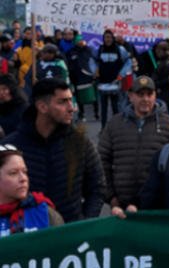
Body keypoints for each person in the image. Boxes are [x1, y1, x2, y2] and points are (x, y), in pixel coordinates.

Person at [9, 78, 104, 222]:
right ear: (42, 107)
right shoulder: (12, 146)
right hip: (27, 236)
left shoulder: (80, 143)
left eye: (70, 100)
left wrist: (83, 223)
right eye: (62, 102)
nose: (71, 108)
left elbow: (97, 188)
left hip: (70, 236)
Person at [98, 76, 169, 215]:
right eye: (140, 95)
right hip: (121, 207)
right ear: (130, 96)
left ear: (155, 96)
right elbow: (102, 160)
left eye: (149, 94)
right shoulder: (114, 124)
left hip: (158, 207)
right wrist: (111, 197)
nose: (145, 99)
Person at [0, 145, 64, 236]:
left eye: (24, 172)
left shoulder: (45, 212)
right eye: (13, 173)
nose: (23, 178)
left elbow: (63, 247)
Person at [94, 29, 133, 124]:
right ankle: (103, 129)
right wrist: (94, 71)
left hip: (115, 82)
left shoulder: (120, 49)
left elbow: (128, 62)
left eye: (109, 37)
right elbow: (92, 61)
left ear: (113, 38)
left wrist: (121, 74)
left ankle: (117, 127)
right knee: (103, 108)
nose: (108, 39)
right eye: (106, 37)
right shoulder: (99, 49)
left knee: (116, 107)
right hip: (102, 83)